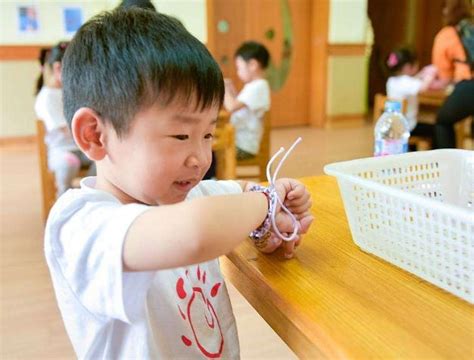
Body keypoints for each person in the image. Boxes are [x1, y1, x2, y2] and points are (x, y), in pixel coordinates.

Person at [45, 9, 313, 359]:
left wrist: (270, 224)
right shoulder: (80, 225)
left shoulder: (186, 192)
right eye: (181, 134)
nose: (201, 157)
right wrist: (266, 203)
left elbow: (242, 194)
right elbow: (195, 232)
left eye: (208, 134)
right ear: (95, 135)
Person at [34, 41, 94, 196]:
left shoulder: (73, 91)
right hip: (61, 150)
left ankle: (86, 194)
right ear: (57, 68)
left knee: (104, 159)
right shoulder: (46, 97)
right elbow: (65, 130)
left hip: (83, 147)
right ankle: (64, 199)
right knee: (68, 163)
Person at [431, 0, 474, 148]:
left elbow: (445, 77)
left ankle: (448, 166)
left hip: (469, 85)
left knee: (443, 121)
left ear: (448, 11)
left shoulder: (447, 34)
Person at [224, 41, 271, 160]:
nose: (238, 72)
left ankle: (214, 176)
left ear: (252, 65)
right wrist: (230, 89)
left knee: (215, 152)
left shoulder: (258, 86)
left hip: (243, 146)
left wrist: (223, 88)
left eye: (239, 68)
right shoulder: (254, 86)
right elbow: (239, 104)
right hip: (240, 142)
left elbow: (231, 107)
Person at [385, 48, 437, 145]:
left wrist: (421, 74)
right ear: (408, 67)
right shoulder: (406, 81)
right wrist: (431, 74)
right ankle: (436, 157)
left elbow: (411, 82)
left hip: (394, 126)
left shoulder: (391, 81)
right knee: (436, 130)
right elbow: (423, 87)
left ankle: (411, 151)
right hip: (408, 127)